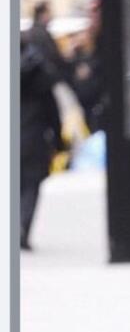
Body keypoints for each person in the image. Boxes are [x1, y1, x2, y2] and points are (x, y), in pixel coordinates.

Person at [20, 33, 65, 250]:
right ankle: (22, 226)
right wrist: (58, 141)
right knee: (30, 186)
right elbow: (52, 109)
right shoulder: (40, 72)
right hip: (33, 135)